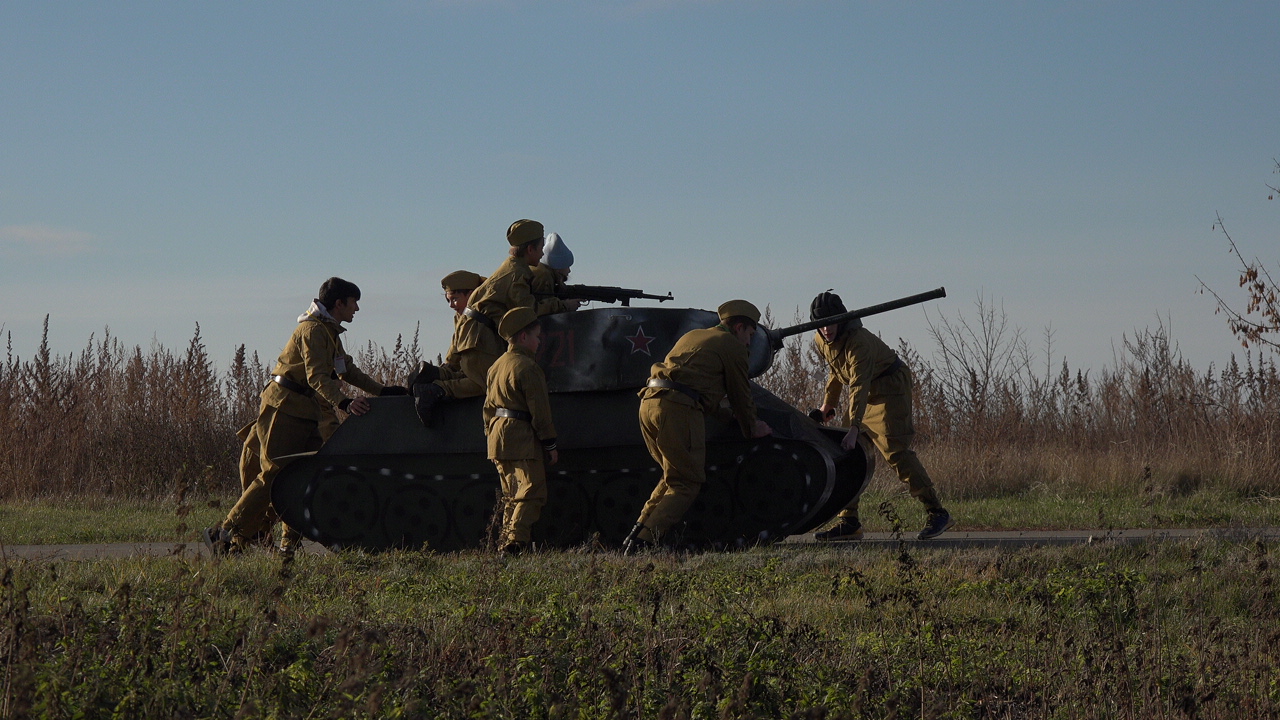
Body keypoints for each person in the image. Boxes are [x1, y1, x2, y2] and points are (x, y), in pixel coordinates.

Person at [204, 277, 408, 557]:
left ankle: (290, 543)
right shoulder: (312, 330)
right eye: (353, 303)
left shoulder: (329, 332)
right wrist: (345, 402)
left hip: (304, 411)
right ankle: (225, 533)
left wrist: (382, 391)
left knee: (302, 477)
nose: (357, 309)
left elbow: (346, 370)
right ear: (339, 304)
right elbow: (317, 376)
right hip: (284, 407)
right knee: (274, 474)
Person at [622, 300, 773, 552]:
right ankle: (644, 544)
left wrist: (728, 418)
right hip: (677, 409)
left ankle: (636, 533)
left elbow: (707, 395)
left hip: (649, 403)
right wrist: (751, 427)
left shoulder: (694, 337)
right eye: (749, 334)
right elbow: (741, 395)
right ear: (738, 328)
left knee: (672, 476)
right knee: (686, 483)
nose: (748, 342)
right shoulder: (732, 347)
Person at [808, 290, 954, 541]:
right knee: (845, 453)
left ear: (841, 320)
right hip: (864, 392)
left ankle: (937, 512)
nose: (826, 330)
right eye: (821, 325)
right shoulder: (821, 341)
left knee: (895, 451)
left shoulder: (858, 343)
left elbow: (859, 385)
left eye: (831, 322)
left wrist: (854, 427)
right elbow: (835, 371)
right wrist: (827, 406)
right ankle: (849, 521)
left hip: (889, 388)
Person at [413, 220, 575, 425]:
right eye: (540, 248)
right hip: (480, 336)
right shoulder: (518, 274)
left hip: (478, 333)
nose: (543, 254)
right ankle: (436, 389)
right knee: (489, 384)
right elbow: (527, 310)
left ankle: (433, 375)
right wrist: (563, 306)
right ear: (530, 249)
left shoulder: (514, 268)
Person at [484, 306, 558, 555]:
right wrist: (550, 443)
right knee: (532, 491)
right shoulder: (527, 367)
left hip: (497, 435)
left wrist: (491, 435)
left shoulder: (497, 366)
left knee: (510, 496)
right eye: (537, 337)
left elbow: (487, 408)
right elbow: (540, 411)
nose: (539, 342)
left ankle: (506, 542)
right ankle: (514, 544)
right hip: (521, 435)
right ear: (524, 337)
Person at [530, 232, 579, 314]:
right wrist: (566, 305)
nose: (569, 271)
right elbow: (541, 310)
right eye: (567, 266)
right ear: (558, 267)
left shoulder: (540, 271)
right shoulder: (544, 276)